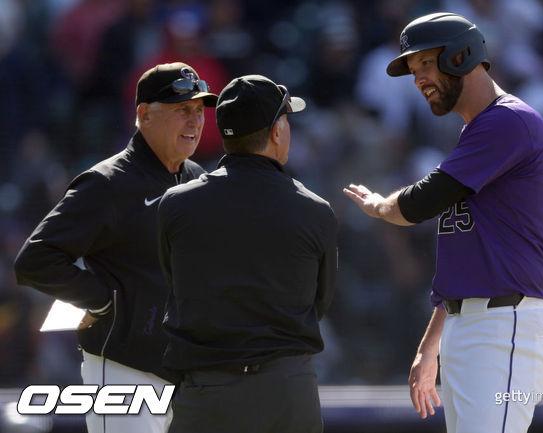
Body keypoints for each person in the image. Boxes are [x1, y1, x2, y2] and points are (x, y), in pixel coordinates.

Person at [343, 12, 543, 433]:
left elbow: (420, 202)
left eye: (425, 62)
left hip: (504, 327)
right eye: (412, 68)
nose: (417, 78)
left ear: (463, 55)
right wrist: (433, 343)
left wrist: (379, 205)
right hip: (480, 323)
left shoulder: (508, 120)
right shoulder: (484, 129)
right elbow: (472, 262)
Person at [14, 62, 217, 433]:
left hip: (185, 371)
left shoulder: (197, 179)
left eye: (198, 110)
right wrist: (101, 300)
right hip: (125, 372)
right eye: (180, 110)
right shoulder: (107, 183)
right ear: (144, 115)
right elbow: (35, 259)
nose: (194, 121)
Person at [157, 74, 338, 433]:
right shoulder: (314, 210)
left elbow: (173, 283)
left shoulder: (176, 205)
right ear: (275, 132)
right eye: (285, 119)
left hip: (207, 394)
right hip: (287, 392)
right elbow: (320, 302)